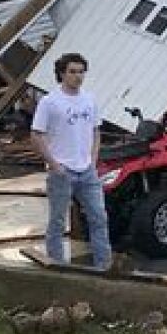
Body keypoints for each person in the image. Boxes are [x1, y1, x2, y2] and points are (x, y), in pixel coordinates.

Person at [30, 53, 111, 270]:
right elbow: (36, 134)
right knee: (57, 221)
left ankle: (104, 265)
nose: (78, 76)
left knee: (99, 217)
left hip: (86, 170)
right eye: (72, 72)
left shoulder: (90, 100)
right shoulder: (50, 102)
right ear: (62, 74)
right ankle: (57, 267)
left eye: (81, 71)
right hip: (62, 170)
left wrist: (93, 159)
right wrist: (54, 164)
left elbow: (96, 131)